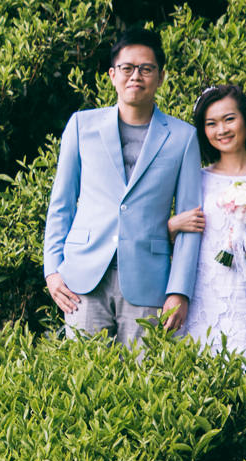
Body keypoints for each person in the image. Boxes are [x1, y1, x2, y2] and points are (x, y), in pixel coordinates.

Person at [43, 30, 204, 346]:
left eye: (146, 69)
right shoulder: (81, 125)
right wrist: (52, 270)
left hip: (150, 280)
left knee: (143, 382)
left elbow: (192, 220)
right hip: (83, 278)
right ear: (112, 75)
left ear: (160, 77)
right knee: (84, 379)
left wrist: (179, 289)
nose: (137, 76)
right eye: (127, 68)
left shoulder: (183, 137)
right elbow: (61, 203)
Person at [167, 82, 246, 399]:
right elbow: (163, 237)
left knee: (245, 388)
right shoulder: (195, 178)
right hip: (201, 293)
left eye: (229, 119)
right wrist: (173, 224)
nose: (221, 130)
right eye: (211, 124)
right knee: (197, 388)